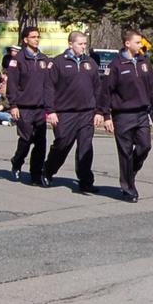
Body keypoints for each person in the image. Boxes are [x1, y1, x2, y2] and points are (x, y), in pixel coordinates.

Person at [101, 31, 153, 202]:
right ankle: (128, 188)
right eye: (137, 42)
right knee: (125, 153)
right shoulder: (116, 65)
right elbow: (106, 92)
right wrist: (106, 115)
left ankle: (130, 172)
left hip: (142, 114)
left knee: (145, 146)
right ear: (127, 44)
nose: (141, 45)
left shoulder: (145, 62)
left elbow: (152, 88)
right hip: (123, 116)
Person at [41, 31, 103, 192]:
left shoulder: (90, 63)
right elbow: (49, 88)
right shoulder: (58, 63)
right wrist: (50, 111)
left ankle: (85, 181)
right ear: (70, 44)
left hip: (86, 113)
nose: (83, 47)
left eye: (85, 44)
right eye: (80, 44)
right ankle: (48, 170)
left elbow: (98, 88)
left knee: (85, 147)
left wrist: (99, 111)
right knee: (62, 144)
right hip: (65, 112)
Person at [7, 27, 49, 185]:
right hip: (24, 107)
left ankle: (36, 175)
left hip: (40, 108)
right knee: (26, 140)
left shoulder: (44, 59)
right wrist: (13, 105)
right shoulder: (17, 60)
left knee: (40, 142)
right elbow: (12, 84)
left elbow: (49, 85)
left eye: (38, 37)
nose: (36, 39)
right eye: (33, 37)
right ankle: (17, 162)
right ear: (25, 40)